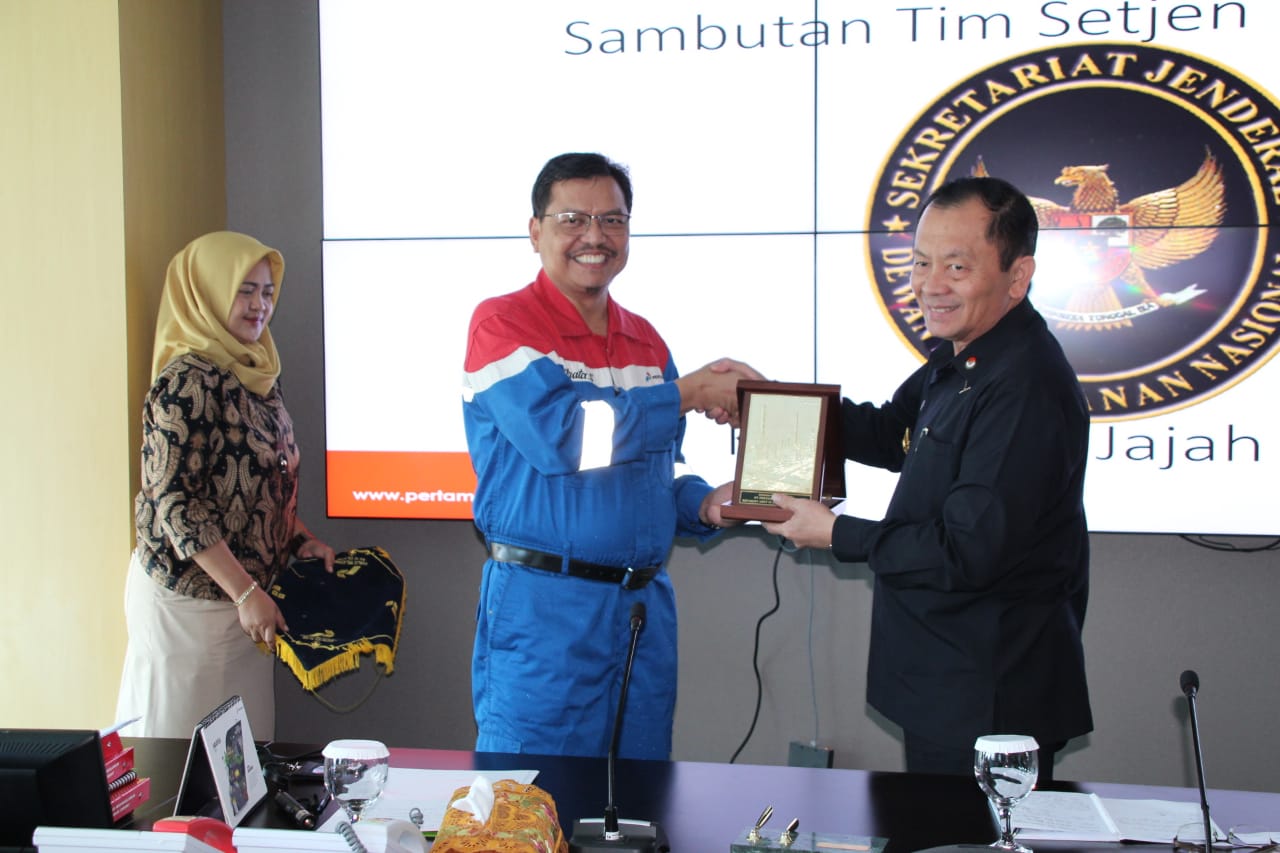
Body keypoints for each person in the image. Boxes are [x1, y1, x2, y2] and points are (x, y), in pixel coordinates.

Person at [766, 176, 1092, 779]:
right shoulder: (965, 353)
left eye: (957, 267)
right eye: (920, 262)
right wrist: (772, 406)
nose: (930, 285)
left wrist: (836, 534)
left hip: (989, 695)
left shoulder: (1025, 387)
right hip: (944, 680)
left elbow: (968, 551)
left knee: (964, 830)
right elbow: (892, 432)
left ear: (1017, 276)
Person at [462, 152, 761, 759]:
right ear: (535, 231)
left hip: (642, 615)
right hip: (545, 611)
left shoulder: (645, 340)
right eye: (573, 219)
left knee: (638, 798)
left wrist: (706, 505)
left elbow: (655, 473)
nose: (594, 236)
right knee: (531, 796)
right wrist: (688, 393)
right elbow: (564, 439)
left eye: (613, 220)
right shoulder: (502, 324)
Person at [116, 230, 335, 740]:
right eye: (245, 290)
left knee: (243, 768)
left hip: (244, 611)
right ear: (208, 293)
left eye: (268, 292)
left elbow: (265, 482)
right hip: (188, 612)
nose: (260, 305)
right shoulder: (186, 380)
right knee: (177, 764)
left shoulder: (256, 371)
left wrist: (297, 538)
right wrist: (245, 592)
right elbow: (177, 505)